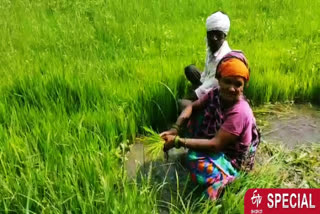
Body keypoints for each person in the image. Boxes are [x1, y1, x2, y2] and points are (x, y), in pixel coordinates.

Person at [160, 51, 260, 200]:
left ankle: (225, 182)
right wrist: (176, 128)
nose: (232, 88)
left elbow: (215, 145)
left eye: (238, 84)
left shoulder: (240, 111)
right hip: (219, 142)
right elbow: (192, 107)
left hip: (232, 159)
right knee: (192, 116)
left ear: (244, 85)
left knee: (193, 158)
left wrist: (177, 141)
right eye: (227, 81)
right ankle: (204, 160)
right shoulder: (215, 94)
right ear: (219, 79)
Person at [184, 11, 232, 102]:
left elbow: (212, 84)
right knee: (190, 70)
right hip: (207, 82)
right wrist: (200, 85)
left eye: (218, 34)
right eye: (211, 34)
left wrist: (189, 96)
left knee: (184, 102)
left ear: (224, 35)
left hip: (217, 90)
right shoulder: (211, 50)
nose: (214, 38)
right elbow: (205, 75)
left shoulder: (224, 58)